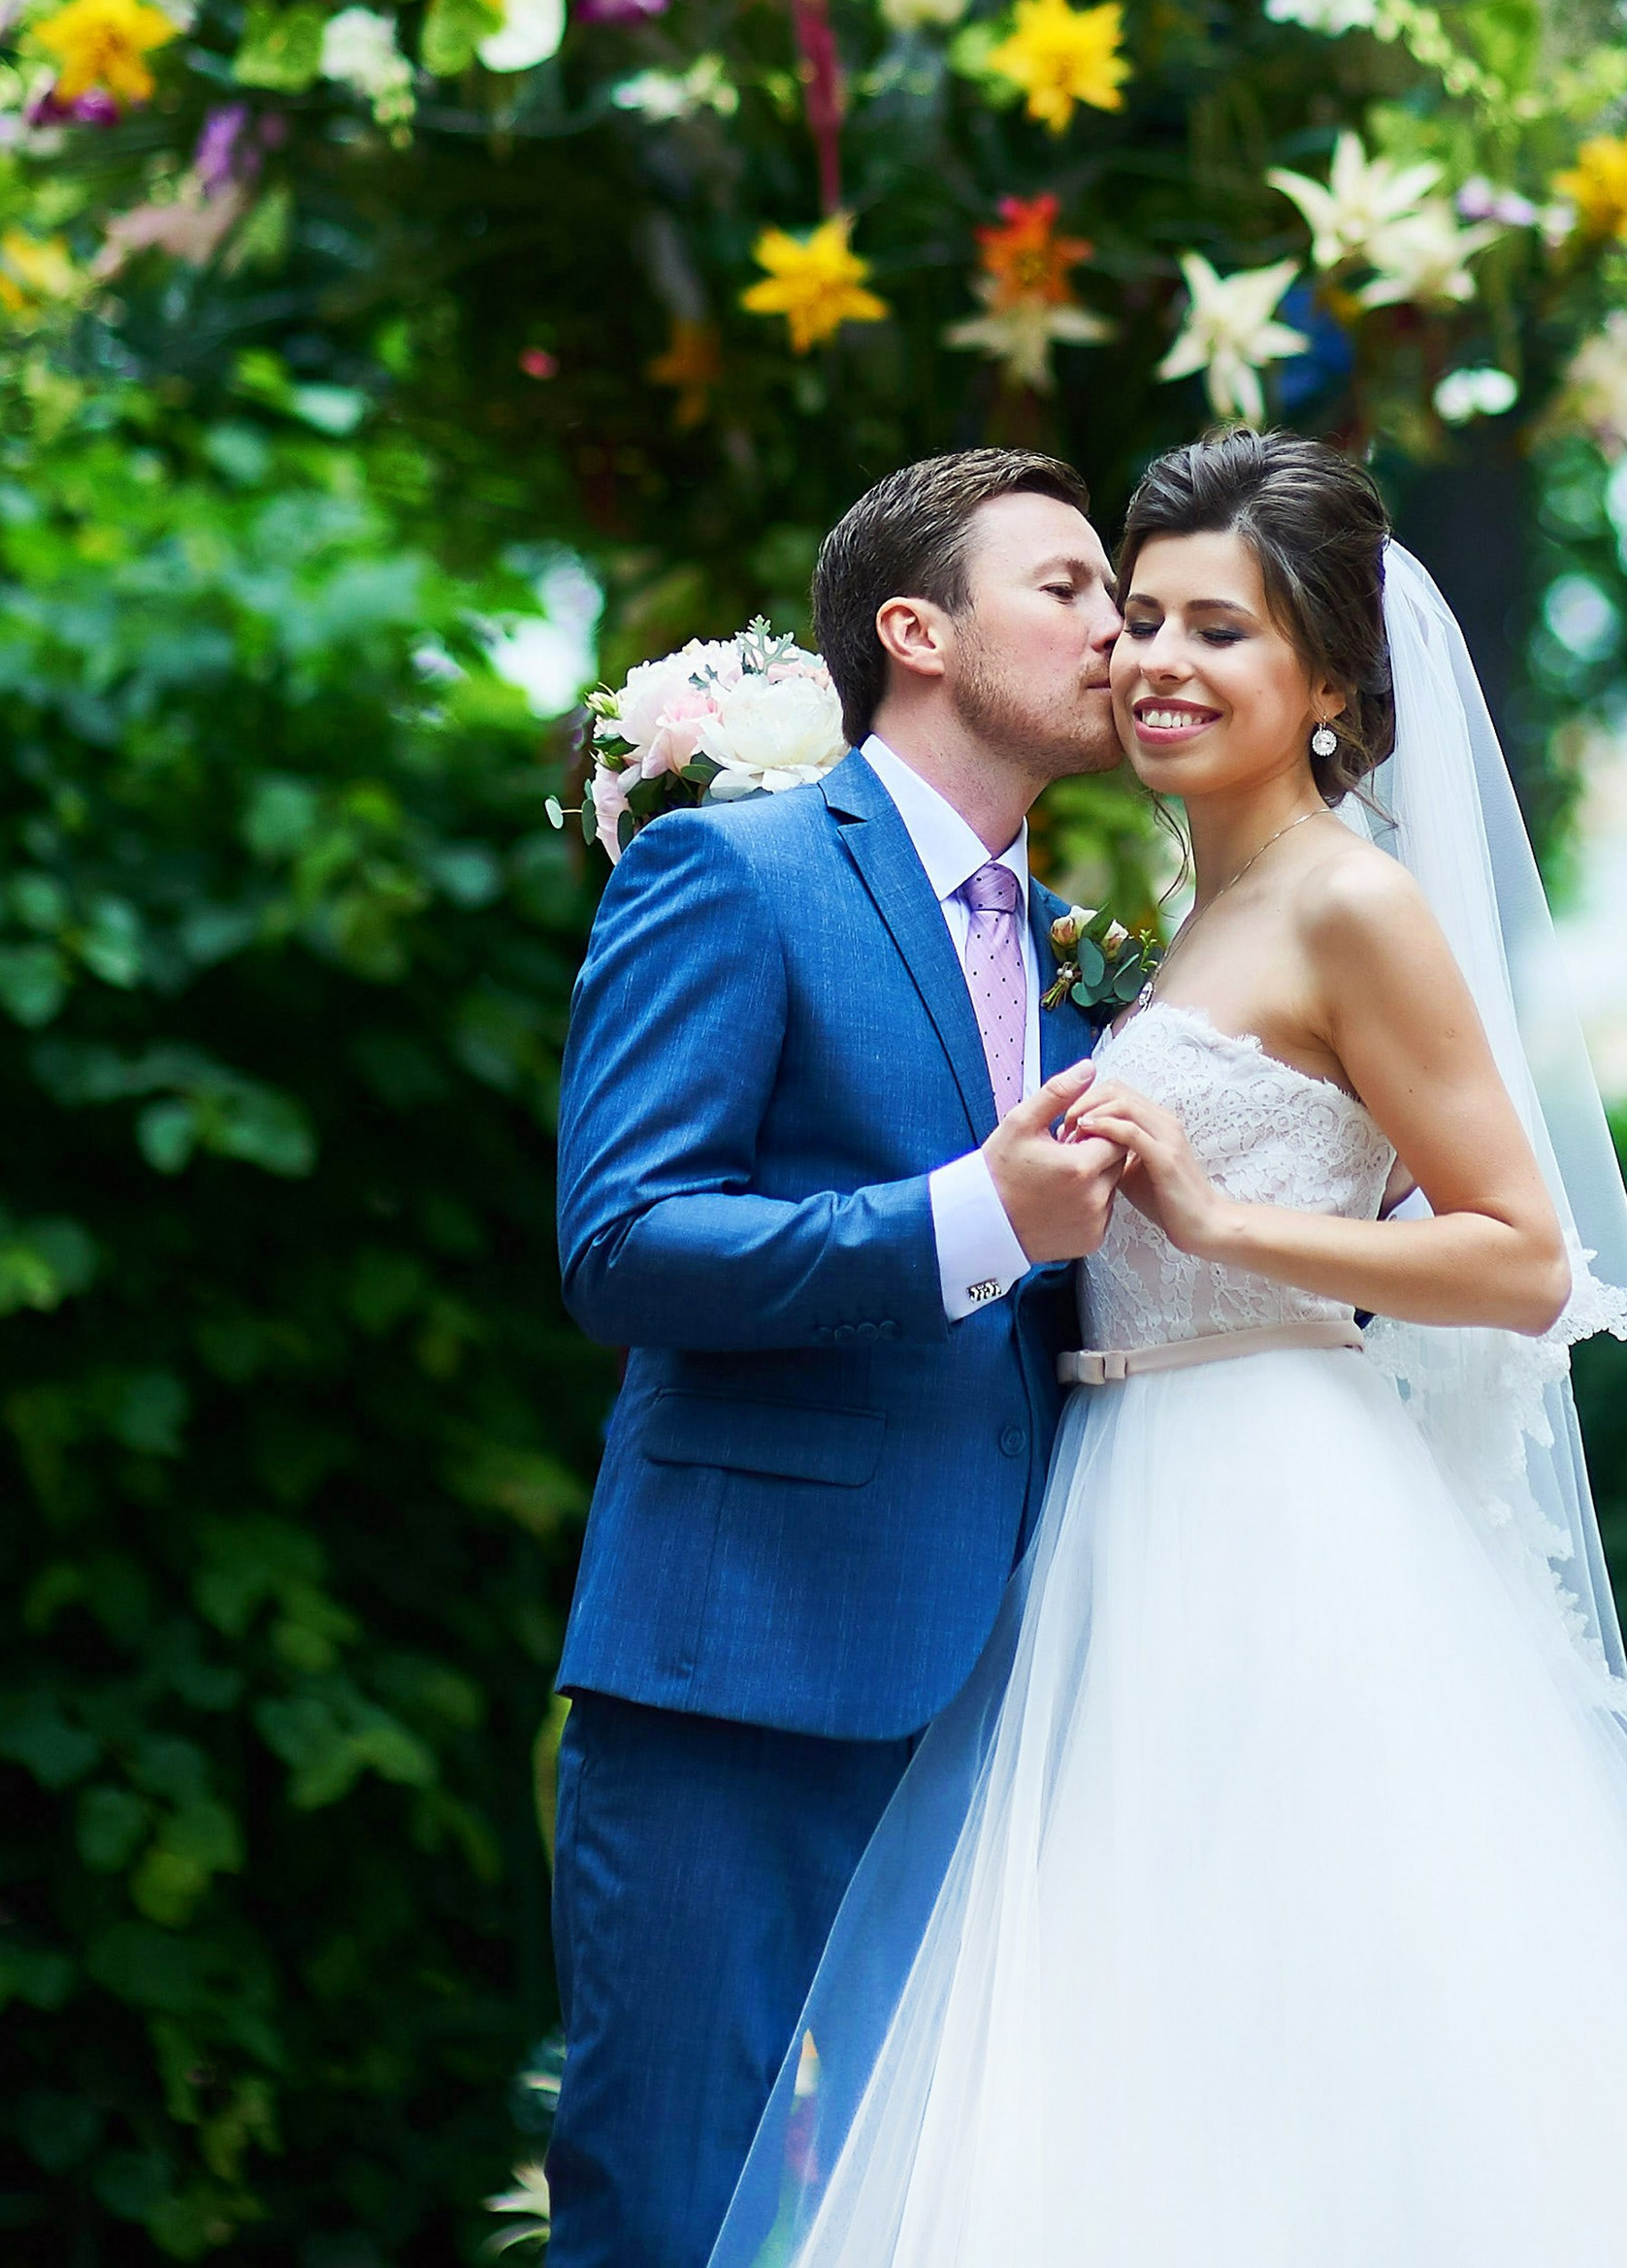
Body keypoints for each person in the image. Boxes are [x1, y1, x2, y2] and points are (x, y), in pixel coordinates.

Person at [709, 430, 1627, 2268]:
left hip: (1277, 1504)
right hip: (1118, 1494)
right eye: (1141, 618)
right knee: (1148, 2026)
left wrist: (1225, 1224)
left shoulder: (1352, 900)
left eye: (1225, 631)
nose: (1158, 662)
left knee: (1310, 1998)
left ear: (1334, 686)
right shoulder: (1185, 916)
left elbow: (1520, 1253)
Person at [544, 448, 1129, 2268]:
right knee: (673, 2207)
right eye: (1067, 588)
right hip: (742, 1670)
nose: (1118, 630)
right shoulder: (734, 872)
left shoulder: (1088, 958)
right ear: (917, 633)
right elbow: (624, 1242)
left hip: (1014, 1686)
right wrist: (967, 1219)